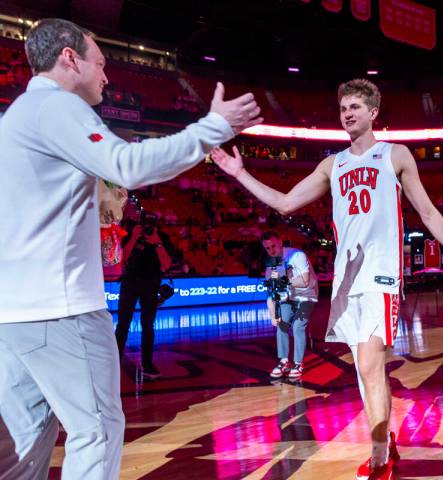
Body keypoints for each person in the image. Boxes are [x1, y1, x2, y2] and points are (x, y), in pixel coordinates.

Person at [0, 18, 261, 480]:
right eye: (100, 63)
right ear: (69, 58)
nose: (106, 75)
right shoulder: (56, 106)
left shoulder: (15, 117)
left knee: (26, 448)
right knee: (96, 434)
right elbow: (126, 165)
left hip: (12, 316)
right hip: (61, 310)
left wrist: (93, 199)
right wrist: (212, 128)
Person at [210, 78, 443, 480]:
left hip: (382, 274)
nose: (347, 113)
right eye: (342, 108)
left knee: (369, 365)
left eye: (354, 107)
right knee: (366, 370)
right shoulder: (332, 165)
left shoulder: (395, 154)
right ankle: (387, 442)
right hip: (348, 280)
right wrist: (239, 174)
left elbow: (428, 211)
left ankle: (380, 457)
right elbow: (284, 203)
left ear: (373, 113)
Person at [114, 214, 173, 379]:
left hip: (150, 284)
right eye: (144, 223)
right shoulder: (129, 234)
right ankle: (114, 362)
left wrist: (157, 243)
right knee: (123, 325)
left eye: (150, 223)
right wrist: (133, 237)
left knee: (148, 326)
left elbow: (167, 265)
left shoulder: (161, 238)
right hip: (130, 283)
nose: (147, 227)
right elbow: (121, 259)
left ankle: (147, 364)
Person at [261, 231, 318, 380]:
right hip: (289, 297)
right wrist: (273, 316)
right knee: (282, 324)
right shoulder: (270, 268)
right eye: (267, 248)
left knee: (298, 327)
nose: (271, 250)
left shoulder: (297, 255)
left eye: (273, 246)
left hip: (307, 295)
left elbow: (305, 281)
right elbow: (271, 296)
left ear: (280, 242)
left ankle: (298, 363)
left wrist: (285, 282)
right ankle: (284, 361)